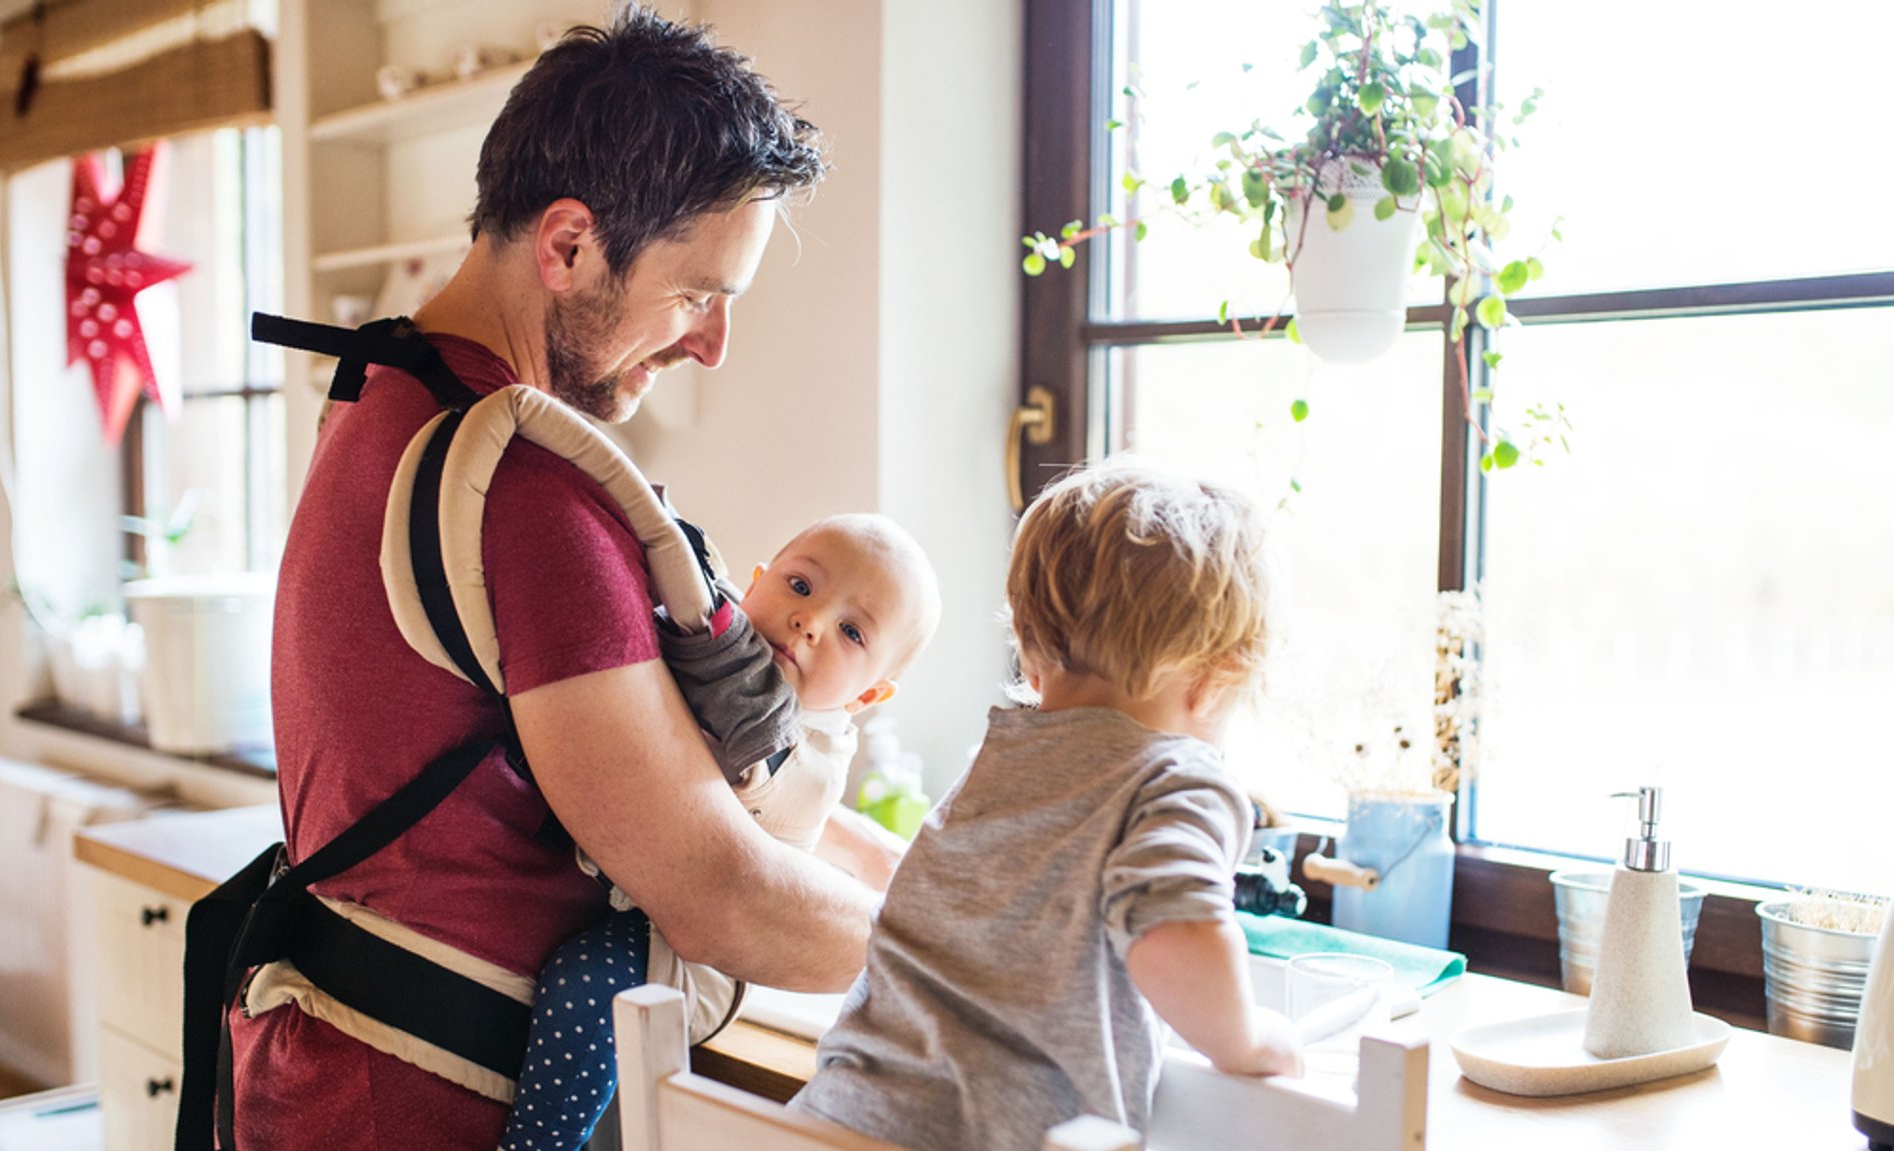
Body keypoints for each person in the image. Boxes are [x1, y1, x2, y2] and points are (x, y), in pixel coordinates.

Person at [233, 10, 881, 1149]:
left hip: (324, 1069)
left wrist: (947, 877)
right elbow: (722, 890)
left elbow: (666, 783)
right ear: (569, 244)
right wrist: (981, 951)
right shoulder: (526, 493)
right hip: (415, 1105)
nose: (710, 343)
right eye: (696, 293)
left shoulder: (389, 390)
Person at [790, 459, 1305, 1151]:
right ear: (1217, 681)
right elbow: (1173, 936)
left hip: (825, 1119)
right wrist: (1251, 1039)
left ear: (1030, 656)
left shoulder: (998, 759)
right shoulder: (1180, 778)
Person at [502, 513, 941, 1151]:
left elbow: (737, 758)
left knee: (583, 985)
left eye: (850, 631)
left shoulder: (810, 756)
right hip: (624, 882)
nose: (810, 620)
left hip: (689, 959)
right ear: (755, 583)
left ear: (868, 696)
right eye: (799, 586)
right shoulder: (722, 646)